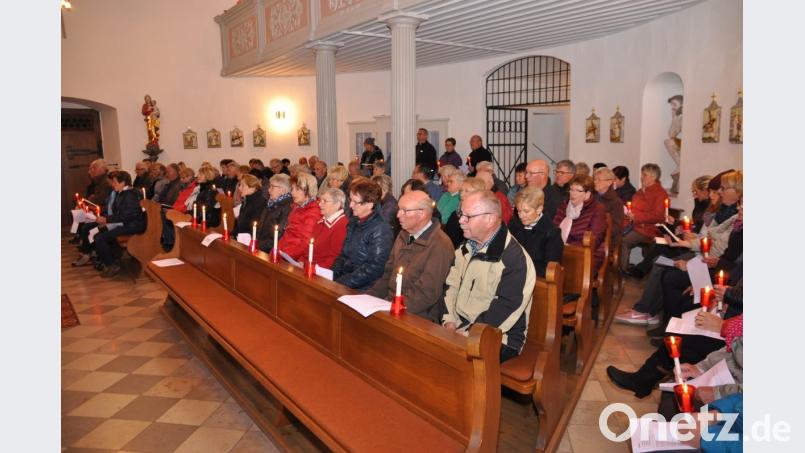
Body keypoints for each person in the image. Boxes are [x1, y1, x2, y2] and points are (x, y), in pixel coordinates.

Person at [437, 191, 536, 363]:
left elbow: (504, 310)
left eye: (468, 216)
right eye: (461, 214)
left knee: (447, 362)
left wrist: (466, 333)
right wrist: (449, 322)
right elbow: (450, 285)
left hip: (500, 337)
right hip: (460, 326)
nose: (460, 220)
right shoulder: (465, 248)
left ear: (490, 219)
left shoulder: (514, 259)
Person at [366, 191, 455, 321]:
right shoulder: (404, 235)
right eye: (399, 210)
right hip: (391, 305)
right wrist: (368, 297)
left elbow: (426, 294)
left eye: (405, 211)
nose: (398, 215)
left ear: (422, 213)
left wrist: (391, 309)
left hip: (419, 316)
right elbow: (387, 276)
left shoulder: (440, 244)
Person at [332, 179, 394, 290]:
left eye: (355, 202)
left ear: (370, 204)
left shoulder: (381, 229)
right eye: (350, 200)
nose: (350, 205)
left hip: (366, 288)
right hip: (347, 280)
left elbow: (374, 268)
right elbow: (343, 255)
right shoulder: (354, 222)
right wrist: (331, 275)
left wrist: (341, 283)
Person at [93, 171, 146, 277]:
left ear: (123, 183)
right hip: (128, 223)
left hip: (134, 226)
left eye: (115, 182)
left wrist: (106, 220)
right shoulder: (123, 193)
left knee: (100, 238)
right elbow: (121, 214)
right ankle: (110, 259)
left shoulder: (129, 195)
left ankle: (111, 265)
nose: (112, 184)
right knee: (98, 233)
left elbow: (128, 215)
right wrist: (107, 220)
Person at [553, 175, 608, 270]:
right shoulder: (564, 205)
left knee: (566, 267)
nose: (572, 193)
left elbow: (595, 238)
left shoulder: (597, 209)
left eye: (577, 190)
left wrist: (569, 247)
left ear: (587, 194)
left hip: (587, 253)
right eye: (571, 189)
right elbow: (553, 228)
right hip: (561, 249)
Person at [620, 163, 668, 272]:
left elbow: (658, 216)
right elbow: (633, 207)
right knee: (614, 236)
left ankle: (622, 271)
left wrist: (636, 216)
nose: (641, 177)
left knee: (623, 241)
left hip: (649, 229)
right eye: (642, 174)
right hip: (635, 225)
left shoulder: (660, 194)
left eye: (644, 175)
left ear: (653, 177)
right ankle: (618, 269)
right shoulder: (641, 191)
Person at [508, 187, 564, 278]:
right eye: (519, 211)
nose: (521, 216)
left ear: (539, 209)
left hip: (537, 280)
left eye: (526, 211)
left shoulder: (552, 233)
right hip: (513, 275)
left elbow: (549, 268)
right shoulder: (514, 225)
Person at [277, 173, 321, 263]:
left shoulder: (314, 212)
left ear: (308, 191)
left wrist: (284, 256)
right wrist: (276, 250)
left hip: (294, 259)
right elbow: (287, 235)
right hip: (285, 253)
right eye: (292, 189)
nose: (292, 192)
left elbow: (305, 243)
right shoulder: (297, 207)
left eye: (297, 189)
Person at [442, 176, 486, 248]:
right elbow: (446, 237)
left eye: (466, 191)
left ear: (478, 194)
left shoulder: (480, 217)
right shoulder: (455, 213)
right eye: (461, 191)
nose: (462, 194)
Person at [311, 188, 348, 269]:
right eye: (320, 201)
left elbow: (334, 258)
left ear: (337, 204)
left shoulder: (342, 225)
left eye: (325, 201)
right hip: (310, 266)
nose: (320, 204)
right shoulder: (321, 221)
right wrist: (302, 260)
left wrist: (314, 269)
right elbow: (309, 247)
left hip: (321, 272)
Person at [256, 174, 294, 252]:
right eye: (269, 186)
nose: (269, 190)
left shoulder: (288, 207)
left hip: (271, 250)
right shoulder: (271, 202)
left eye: (272, 187)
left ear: (283, 190)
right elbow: (262, 225)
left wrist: (259, 246)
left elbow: (279, 234)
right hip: (262, 245)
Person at [593, 167, 625, 241]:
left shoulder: (616, 202)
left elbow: (616, 228)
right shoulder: (591, 197)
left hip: (607, 240)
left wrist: (598, 233)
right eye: (595, 179)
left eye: (599, 179)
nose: (595, 182)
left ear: (609, 182)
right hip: (591, 236)